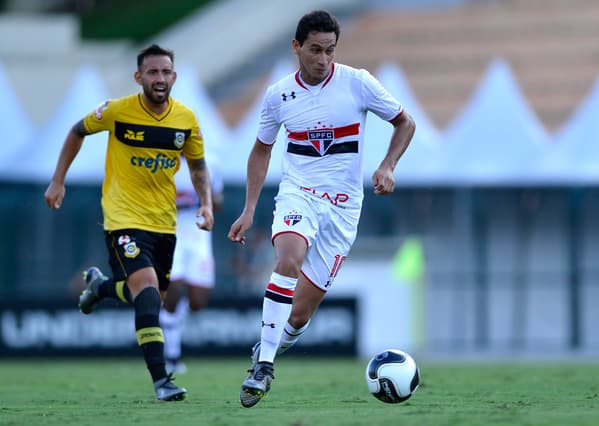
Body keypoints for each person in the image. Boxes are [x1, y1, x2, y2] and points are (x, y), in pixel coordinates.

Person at [227, 10, 416, 408]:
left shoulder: (358, 83)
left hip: (344, 210)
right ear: (296, 48)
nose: (323, 59)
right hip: (299, 195)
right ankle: (263, 365)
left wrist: (387, 165)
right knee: (288, 260)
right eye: (315, 50)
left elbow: (406, 123)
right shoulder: (279, 95)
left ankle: (269, 348)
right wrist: (248, 210)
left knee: (298, 317)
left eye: (330, 50)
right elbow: (261, 150)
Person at [44, 44, 214, 402]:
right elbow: (77, 131)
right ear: (139, 78)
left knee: (152, 297)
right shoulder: (117, 111)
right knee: (149, 293)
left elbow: (197, 165)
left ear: (174, 77)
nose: (160, 78)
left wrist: (206, 204)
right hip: (123, 218)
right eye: (152, 72)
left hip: (164, 224)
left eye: (166, 72)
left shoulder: (186, 119)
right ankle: (161, 381)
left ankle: (102, 288)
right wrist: (58, 179)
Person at [159, 157, 224, 374]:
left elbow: (218, 203)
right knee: (173, 291)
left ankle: (168, 323)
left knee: (198, 301)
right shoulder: (164, 163)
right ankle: (172, 356)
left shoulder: (209, 166)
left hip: (198, 234)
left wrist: (208, 201)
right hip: (170, 231)